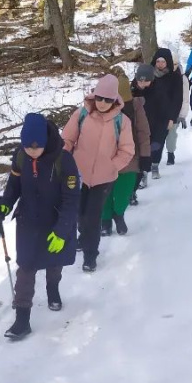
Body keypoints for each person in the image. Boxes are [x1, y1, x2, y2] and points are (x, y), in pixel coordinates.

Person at [0, 113, 80, 340]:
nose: (32, 152)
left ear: (45, 141)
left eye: (36, 148)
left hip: (54, 222)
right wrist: (5, 204)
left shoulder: (64, 160)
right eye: (27, 147)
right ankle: (22, 319)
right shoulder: (21, 157)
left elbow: (71, 199)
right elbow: (14, 185)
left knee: (54, 263)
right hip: (28, 222)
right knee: (25, 268)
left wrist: (62, 231)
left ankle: (52, 289)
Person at [61, 75, 135, 273]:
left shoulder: (122, 121)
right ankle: (82, 235)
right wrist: (62, 155)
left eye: (108, 100)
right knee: (79, 213)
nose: (102, 103)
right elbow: (67, 139)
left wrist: (112, 166)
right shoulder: (82, 114)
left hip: (104, 179)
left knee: (93, 216)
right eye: (100, 98)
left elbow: (127, 150)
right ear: (95, 95)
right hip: (78, 175)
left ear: (114, 100)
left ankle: (90, 255)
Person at [101, 72, 150, 236]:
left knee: (123, 192)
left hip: (130, 157)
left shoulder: (135, 107)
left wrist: (145, 156)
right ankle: (105, 221)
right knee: (105, 193)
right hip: (105, 158)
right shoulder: (99, 108)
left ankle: (119, 213)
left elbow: (143, 132)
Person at [148, 48, 184, 178]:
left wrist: (172, 118)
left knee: (158, 141)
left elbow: (177, 99)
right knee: (146, 142)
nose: (160, 64)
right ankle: (143, 171)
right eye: (158, 61)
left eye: (163, 61)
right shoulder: (149, 74)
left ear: (168, 62)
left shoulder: (174, 77)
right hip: (148, 115)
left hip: (165, 117)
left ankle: (155, 166)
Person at [130, 64, 156, 190]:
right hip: (132, 128)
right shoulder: (130, 90)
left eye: (147, 81)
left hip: (150, 127)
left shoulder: (155, 90)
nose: (143, 83)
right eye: (141, 80)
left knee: (144, 156)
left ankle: (141, 177)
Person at [164, 49, 189, 165]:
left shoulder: (182, 78)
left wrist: (182, 115)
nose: (172, 66)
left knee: (171, 134)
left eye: (175, 64)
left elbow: (185, 98)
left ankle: (170, 154)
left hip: (175, 112)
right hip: (161, 110)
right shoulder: (161, 75)